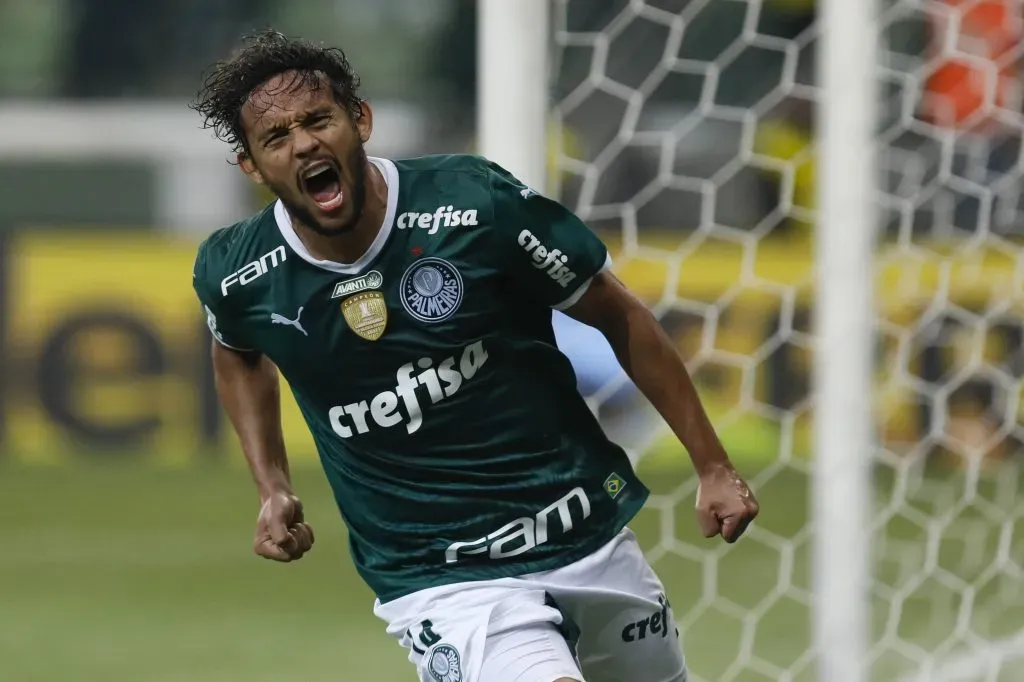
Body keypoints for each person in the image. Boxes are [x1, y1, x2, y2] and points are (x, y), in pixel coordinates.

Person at [190, 29, 759, 682]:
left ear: (360, 120)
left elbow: (616, 311)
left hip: (581, 530)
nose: (305, 143)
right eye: (278, 137)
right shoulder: (238, 273)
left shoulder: (472, 205)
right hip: (441, 577)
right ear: (253, 167)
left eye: (319, 120)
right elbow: (235, 352)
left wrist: (712, 465)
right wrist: (273, 486)